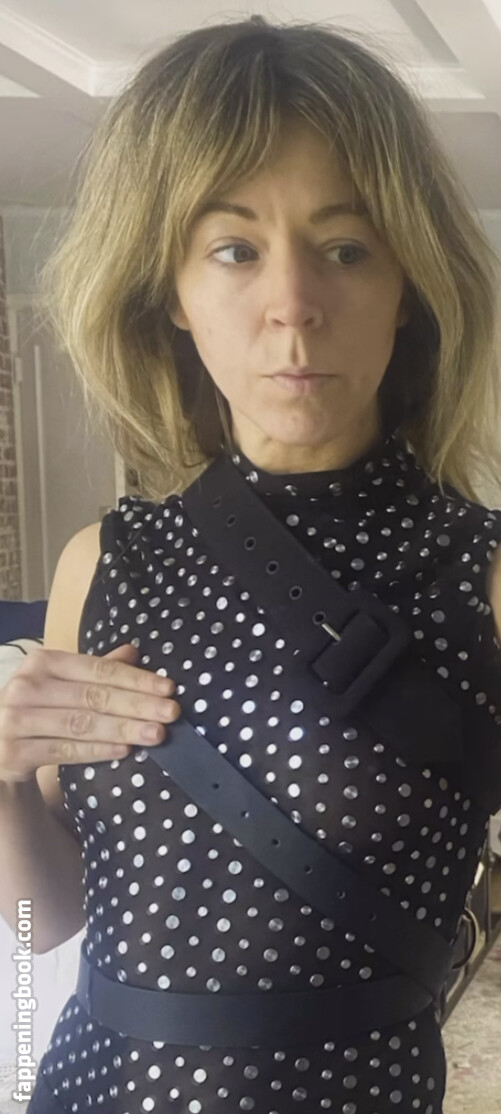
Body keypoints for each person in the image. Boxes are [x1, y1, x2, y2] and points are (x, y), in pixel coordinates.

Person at [1, 14, 501, 1114]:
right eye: (234, 249)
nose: (293, 306)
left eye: (346, 248)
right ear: (171, 295)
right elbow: (52, 922)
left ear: (408, 282)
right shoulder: (104, 561)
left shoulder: (483, 577)